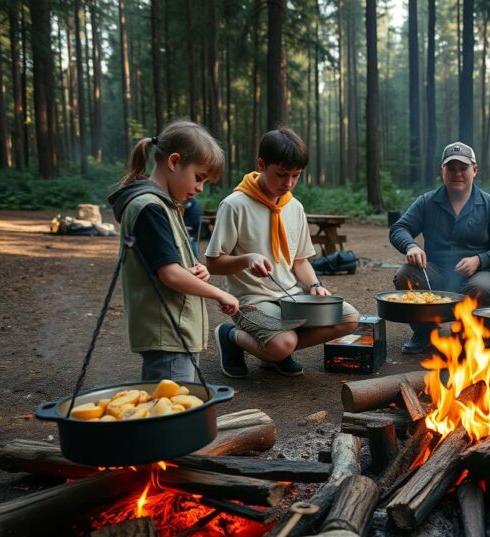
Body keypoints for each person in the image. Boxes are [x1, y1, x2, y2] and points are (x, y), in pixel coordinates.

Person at [206, 127, 360, 378]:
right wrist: (247, 259)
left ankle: (273, 352)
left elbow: (300, 261)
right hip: (252, 300)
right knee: (283, 343)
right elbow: (213, 263)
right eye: (281, 174)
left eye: (295, 176)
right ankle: (231, 336)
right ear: (261, 164)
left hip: (291, 298)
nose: (288, 183)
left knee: (349, 318)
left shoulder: (294, 207)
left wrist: (314, 286)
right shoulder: (235, 205)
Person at [107, 120, 240, 382]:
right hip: (168, 333)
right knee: (172, 404)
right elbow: (169, 275)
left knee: (170, 402)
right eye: (199, 177)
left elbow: (166, 265)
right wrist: (219, 293)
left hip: (174, 334)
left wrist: (195, 271)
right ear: (174, 162)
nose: (200, 188)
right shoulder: (150, 208)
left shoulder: (164, 205)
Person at [389, 142, 490, 353]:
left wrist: (479, 260)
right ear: (442, 171)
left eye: (463, 168)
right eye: (451, 168)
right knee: (405, 274)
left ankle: (470, 332)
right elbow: (399, 228)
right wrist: (410, 246)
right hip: (435, 271)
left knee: (481, 287)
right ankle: (424, 330)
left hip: (477, 273)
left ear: (475, 170)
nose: (457, 174)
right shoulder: (427, 202)